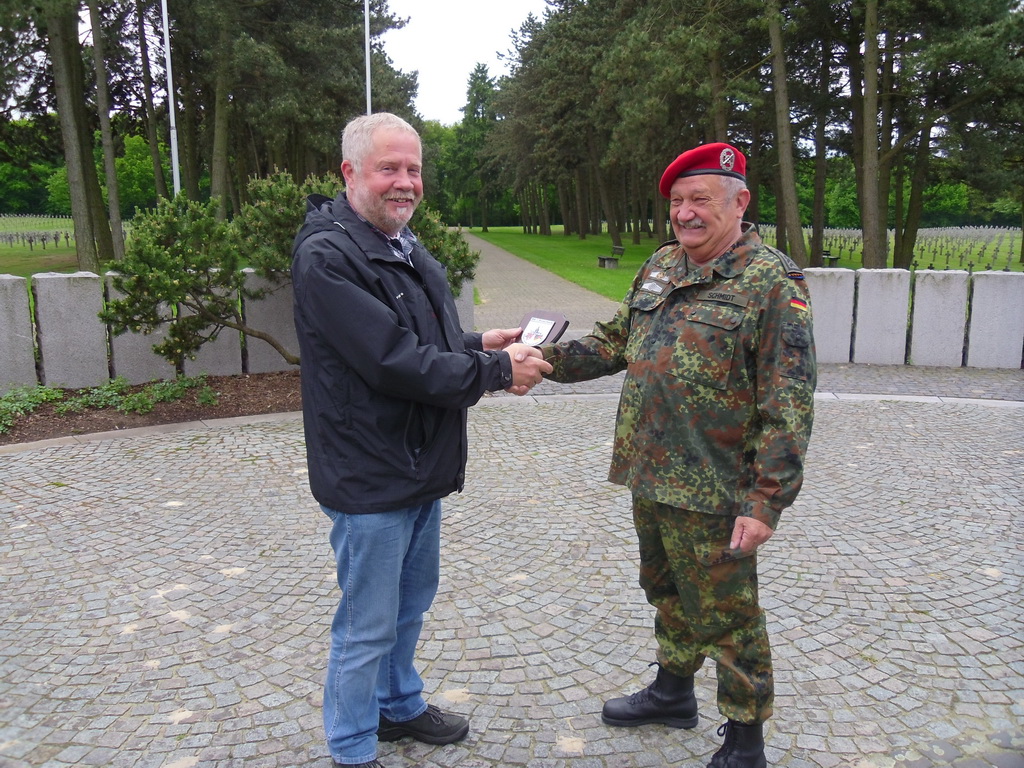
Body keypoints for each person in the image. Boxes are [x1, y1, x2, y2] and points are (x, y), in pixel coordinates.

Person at [532, 142, 815, 768]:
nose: (685, 213)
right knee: (664, 588)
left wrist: (766, 501)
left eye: (700, 200)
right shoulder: (663, 264)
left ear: (739, 203)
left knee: (728, 613)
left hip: (717, 486)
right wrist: (537, 360)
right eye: (678, 201)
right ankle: (673, 691)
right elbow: (616, 341)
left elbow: (788, 402)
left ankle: (746, 740)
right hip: (651, 470)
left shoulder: (771, 282)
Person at [291, 112, 551, 768]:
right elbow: (391, 360)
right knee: (367, 623)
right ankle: (352, 748)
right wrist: (496, 371)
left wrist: (479, 342)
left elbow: (419, 339)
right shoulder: (328, 256)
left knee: (409, 604)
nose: (405, 182)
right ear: (351, 172)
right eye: (389, 168)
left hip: (413, 461)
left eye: (413, 169)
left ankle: (398, 705)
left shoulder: (399, 242)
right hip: (370, 473)